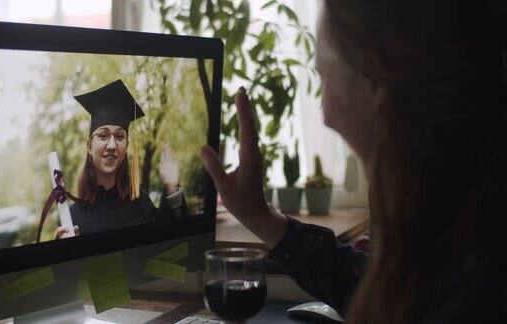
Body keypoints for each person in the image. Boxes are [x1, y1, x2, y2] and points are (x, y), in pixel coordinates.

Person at [200, 0, 507, 323]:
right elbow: (378, 290)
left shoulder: (479, 289)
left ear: (375, 83)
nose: (324, 110)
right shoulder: (452, 229)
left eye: (323, 74)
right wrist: (259, 216)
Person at [57, 79, 189, 238]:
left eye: (120, 136)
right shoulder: (72, 218)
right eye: (103, 135)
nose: (112, 145)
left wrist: (171, 188)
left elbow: (169, 239)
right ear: (89, 146)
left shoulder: (140, 202)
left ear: (126, 146)